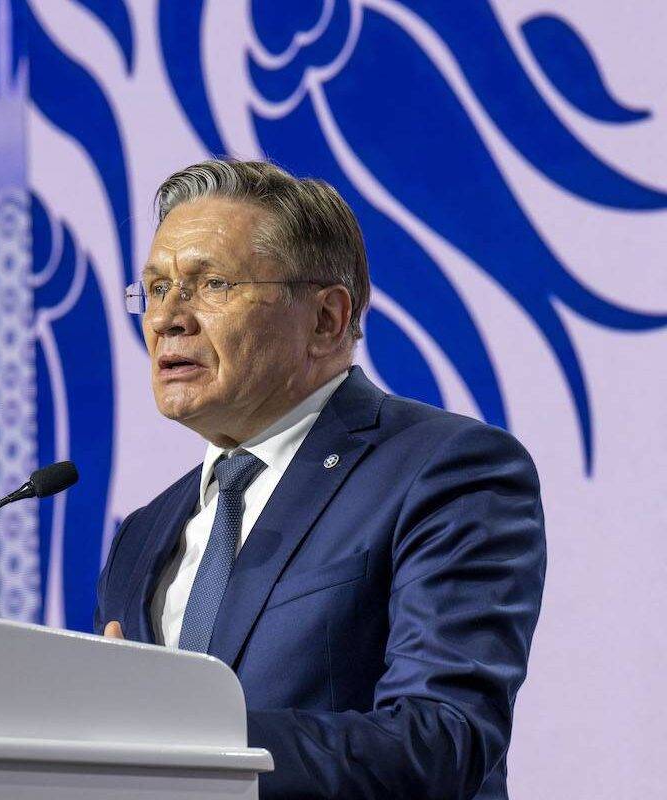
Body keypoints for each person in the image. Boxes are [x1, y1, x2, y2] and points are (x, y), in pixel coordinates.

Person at [95, 159, 545, 799]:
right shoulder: (143, 535)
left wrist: (192, 739)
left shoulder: (444, 469)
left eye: (212, 284)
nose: (169, 317)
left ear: (327, 319)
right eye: (158, 288)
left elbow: (444, 741)